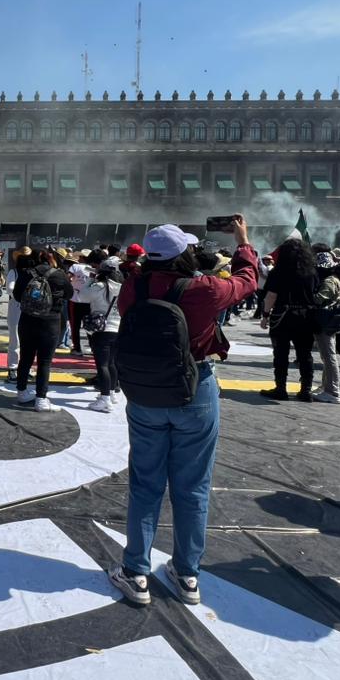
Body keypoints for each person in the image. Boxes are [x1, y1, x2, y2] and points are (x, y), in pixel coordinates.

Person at [109, 218, 258, 607]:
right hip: (196, 390)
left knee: (145, 483)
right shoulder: (202, 290)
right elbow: (247, 280)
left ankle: (134, 572)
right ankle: (187, 574)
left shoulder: (133, 287)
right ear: (184, 254)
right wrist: (242, 241)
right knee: (192, 487)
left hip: (144, 392)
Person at [13, 248, 74, 412]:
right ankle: (41, 399)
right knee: (44, 361)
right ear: (51, 259)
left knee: (25, 357)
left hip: (27, 320)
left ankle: (21, 391)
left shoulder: (26, 273)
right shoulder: (59, 275)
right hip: (51, 321)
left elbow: (17, 295)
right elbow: (70, 294)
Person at [259, 238, 319, 402]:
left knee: (280, 354)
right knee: (305, 355)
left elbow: (271, 296)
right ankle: (306, 390)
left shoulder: (278, 271)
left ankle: (281, 389)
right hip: (306, 316)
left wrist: (265, 315)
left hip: (283, 316)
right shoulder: (312, 271)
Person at [83, 255, 123, 412]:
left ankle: (105, 398)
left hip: (102, 330)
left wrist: (90, 279)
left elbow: (82, 296)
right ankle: (111, 393)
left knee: (102, 365)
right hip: (117, 328)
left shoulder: (99, 286)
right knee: (111, 363)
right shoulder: (122, 287)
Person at [311, 252, 340, 403]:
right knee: (327, 356)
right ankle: (326, 386)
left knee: (329, 356)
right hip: (329, 322)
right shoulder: (333, 279)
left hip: (326, 322)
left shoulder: (329, 281)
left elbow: (319, 299)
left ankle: (332, 391)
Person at [4, 246, 30, 382]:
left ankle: (26, 367)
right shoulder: (14, 272)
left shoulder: (33, 272)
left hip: (27, 308)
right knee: (16, 339)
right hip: (18, 306)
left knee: (28, 340)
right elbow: (10, 289)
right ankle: (13, 368)